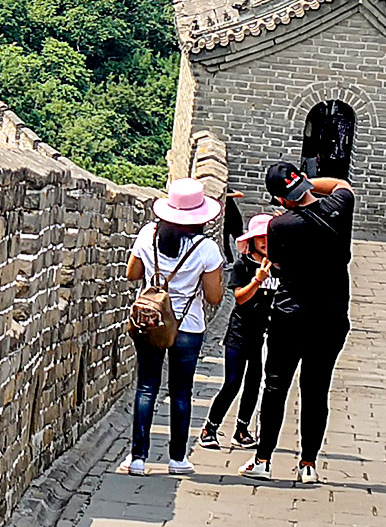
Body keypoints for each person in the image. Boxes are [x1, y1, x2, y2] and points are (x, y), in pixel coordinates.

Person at [242, 162, 354, 485]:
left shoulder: (280, 227)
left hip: (290, 316)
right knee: (316, 390)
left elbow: (275, 262)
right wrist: (306, 183)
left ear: (280, 199)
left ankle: (263, 460)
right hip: (331, 318)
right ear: (302, 184)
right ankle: (308, 465)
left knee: (276, 386)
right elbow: (341, 184)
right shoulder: (340, 206)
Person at [122, 180, 229, 476]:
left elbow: (132, 274)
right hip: (188, 327)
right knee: (181, 391)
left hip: (149, 320)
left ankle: (138, 459)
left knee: (146, 387)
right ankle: (177, 459)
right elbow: (213, 297)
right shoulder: (206, 248)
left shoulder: (148, 234)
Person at [199, 212, 277, 450]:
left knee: (254, 382)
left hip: (261, 334)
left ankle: (242, 430)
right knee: (233, 382)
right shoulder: (244, 265)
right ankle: (209, 428)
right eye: (260, 237)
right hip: (240, 332)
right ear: (251, 240)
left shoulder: (279, 266)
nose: (265, 241)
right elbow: (240, 298)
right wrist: (258, 279)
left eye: (269, 236)